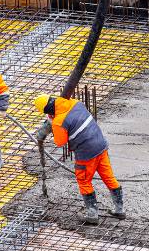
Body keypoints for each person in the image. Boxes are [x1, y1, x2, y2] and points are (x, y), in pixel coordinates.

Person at [34, 94, 125, 224]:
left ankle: (92, 214)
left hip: (86, 153)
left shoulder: (59, 121)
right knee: (109, 177)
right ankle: (119, 209)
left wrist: (52, 124)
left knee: (84, 181)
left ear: (47, 111)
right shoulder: (75, 103)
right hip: (101, 145)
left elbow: (60, 142)